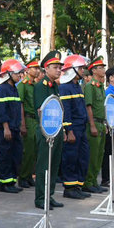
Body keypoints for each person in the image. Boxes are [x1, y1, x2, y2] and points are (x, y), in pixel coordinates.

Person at [33, 51, 65, 210]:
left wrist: (61, 129)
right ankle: (41, 198)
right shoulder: (41, 86)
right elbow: (41, 110)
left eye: (60, 67)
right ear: (46, 69)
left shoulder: (54, 86)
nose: (59, 70)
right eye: (55, 67)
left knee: (54, 165)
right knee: (44, 165)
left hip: (55, 129)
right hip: (45, 130)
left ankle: (49, 195)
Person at [59, 56, 91, 199]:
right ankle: (69, 187)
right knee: (71, 157)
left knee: (82, 157)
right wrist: (69, 130)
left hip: (81, 127)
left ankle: (77, 185)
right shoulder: (65, 87)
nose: (83, 71)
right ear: (72, 70)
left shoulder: (77, 86)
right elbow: (66, 111)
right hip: (73, 128)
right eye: (80, 68)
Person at [0, 59, 25, 194]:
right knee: (5, 155)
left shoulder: (13, 89)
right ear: (8, 74)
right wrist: (6, 127)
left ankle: (11, 181)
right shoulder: (1, 90)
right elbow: (0, 111)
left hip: (14, 128)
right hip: (4, 129)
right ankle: (4, 183)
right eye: (17, 73)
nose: (20, 76)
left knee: (15, 155)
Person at [83, 56, 108, 192]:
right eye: (100, 68)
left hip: (101, 123)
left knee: (99, 154)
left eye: (103, 68)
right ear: (93, 71)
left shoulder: (100, 86)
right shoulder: (90, 86)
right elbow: (89, 107)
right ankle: (88, 182)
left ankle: (94, 181)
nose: (103, 70)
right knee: (92, 155)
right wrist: (92, 125)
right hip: (94, 123)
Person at [17, 59, 40, 188]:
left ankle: (29, 175)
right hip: (28, 118)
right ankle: (23, 176)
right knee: (28, 150)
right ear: (27, 70)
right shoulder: (23, 85)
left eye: (38, 68)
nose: (37, 71)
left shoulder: (35, 85)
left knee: (34, 150)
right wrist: (22, 124)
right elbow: (20, 104)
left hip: (35, 120)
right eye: (34, 68)